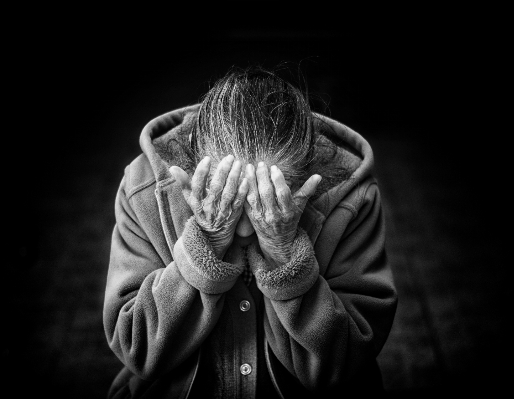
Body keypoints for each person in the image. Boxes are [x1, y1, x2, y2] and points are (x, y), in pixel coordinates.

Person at [103, 67, 398, 398]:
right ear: (193, 164)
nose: (245, 227)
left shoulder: (353, 198)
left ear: (307, 177)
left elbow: (345, 364)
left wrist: (285, 254)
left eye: (268, 198)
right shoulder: (143, 188)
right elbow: (136, 349)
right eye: (228, 197)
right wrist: (206, 241)